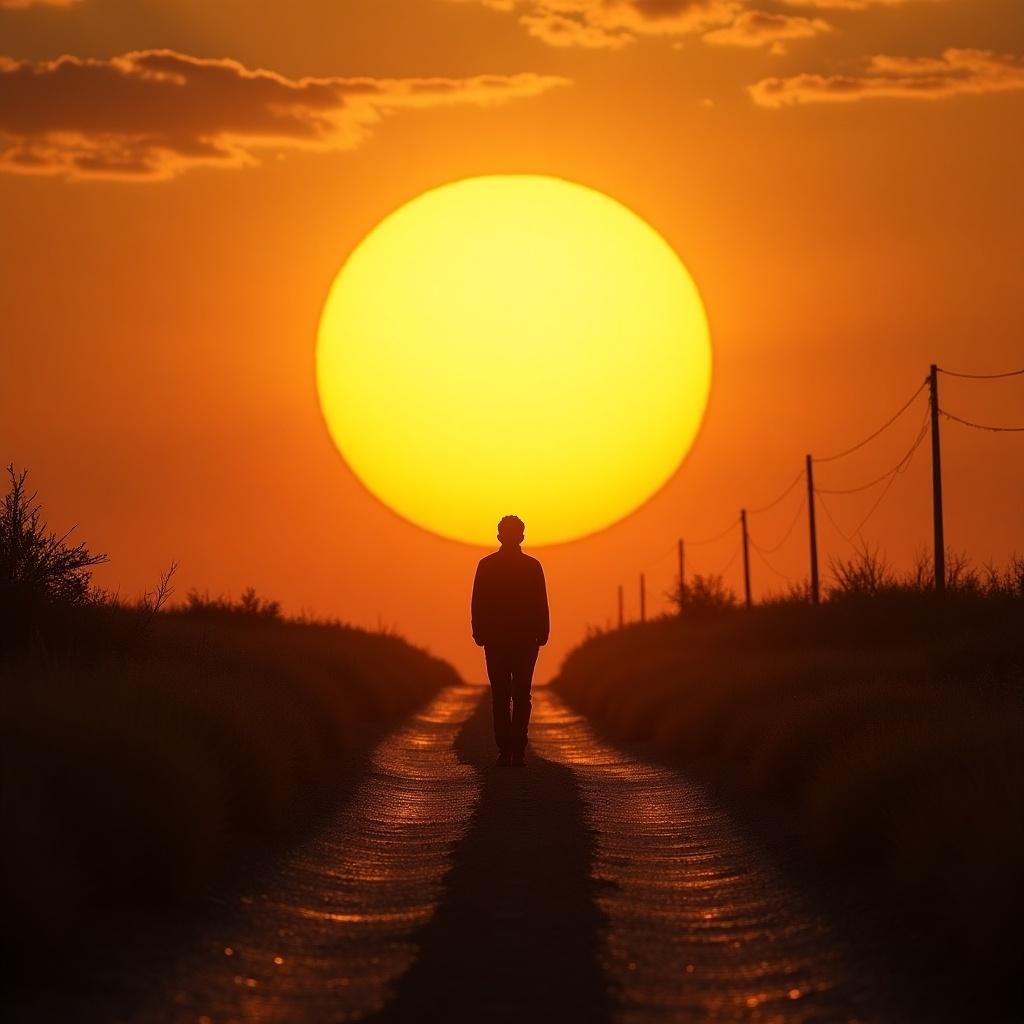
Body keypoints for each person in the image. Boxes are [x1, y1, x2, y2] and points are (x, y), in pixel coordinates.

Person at [471, 515, 549, 767]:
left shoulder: (488, 565)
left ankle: (509, 750)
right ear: (521, 536)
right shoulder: (529, 566)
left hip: (506, 639)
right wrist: (543, 631)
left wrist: (479, 631)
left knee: (504, 694)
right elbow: (478, 602)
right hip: (517, 639)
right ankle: (514, 749)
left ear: (500, 536)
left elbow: (478, 603)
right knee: (518, 693)